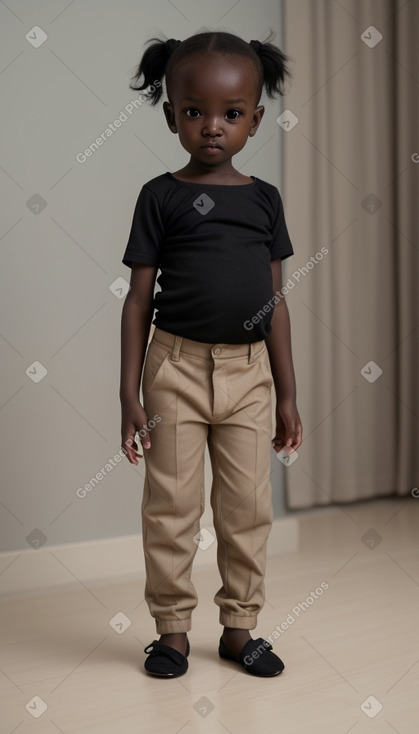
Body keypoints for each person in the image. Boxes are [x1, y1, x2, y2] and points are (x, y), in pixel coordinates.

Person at [120, 30, 303, 679]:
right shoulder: (159, 196)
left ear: (255, 116)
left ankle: (238, 629)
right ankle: (170, 632)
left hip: (249, 374)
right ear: (171, 114)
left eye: (231, 113)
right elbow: (138, 300)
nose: (211, 127)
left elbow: (275, 301)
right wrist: (129, 394)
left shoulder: (263, 199)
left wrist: (285, 391)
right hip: (172, 369)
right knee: (170, 505)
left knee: (246, 508)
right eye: (194, 112)